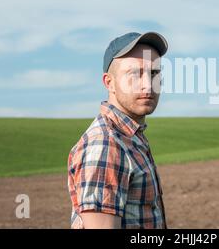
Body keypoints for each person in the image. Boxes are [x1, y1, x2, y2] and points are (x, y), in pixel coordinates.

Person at [67, 31, 168, 229]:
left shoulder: (130, 137)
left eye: (154, 73)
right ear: (109, 83)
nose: (148, 84)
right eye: (135, 74)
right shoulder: (106, 144)